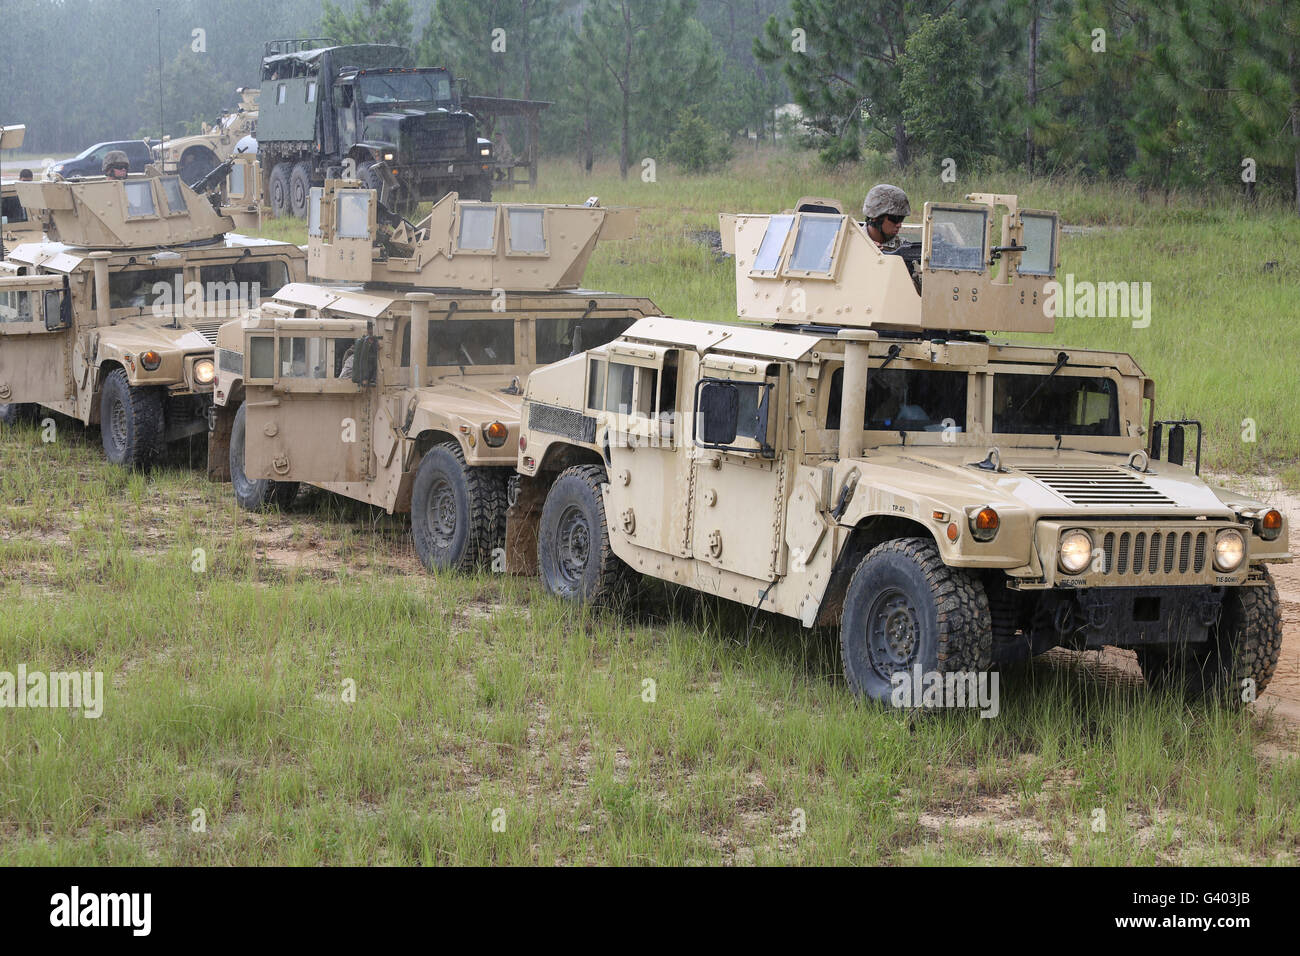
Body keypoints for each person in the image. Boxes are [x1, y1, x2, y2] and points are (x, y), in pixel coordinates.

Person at [862, 183, 910, 251]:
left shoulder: (904, 247)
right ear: (875, 218)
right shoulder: (852, 243)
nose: (899, 225)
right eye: (895, 219)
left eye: (901, 219)